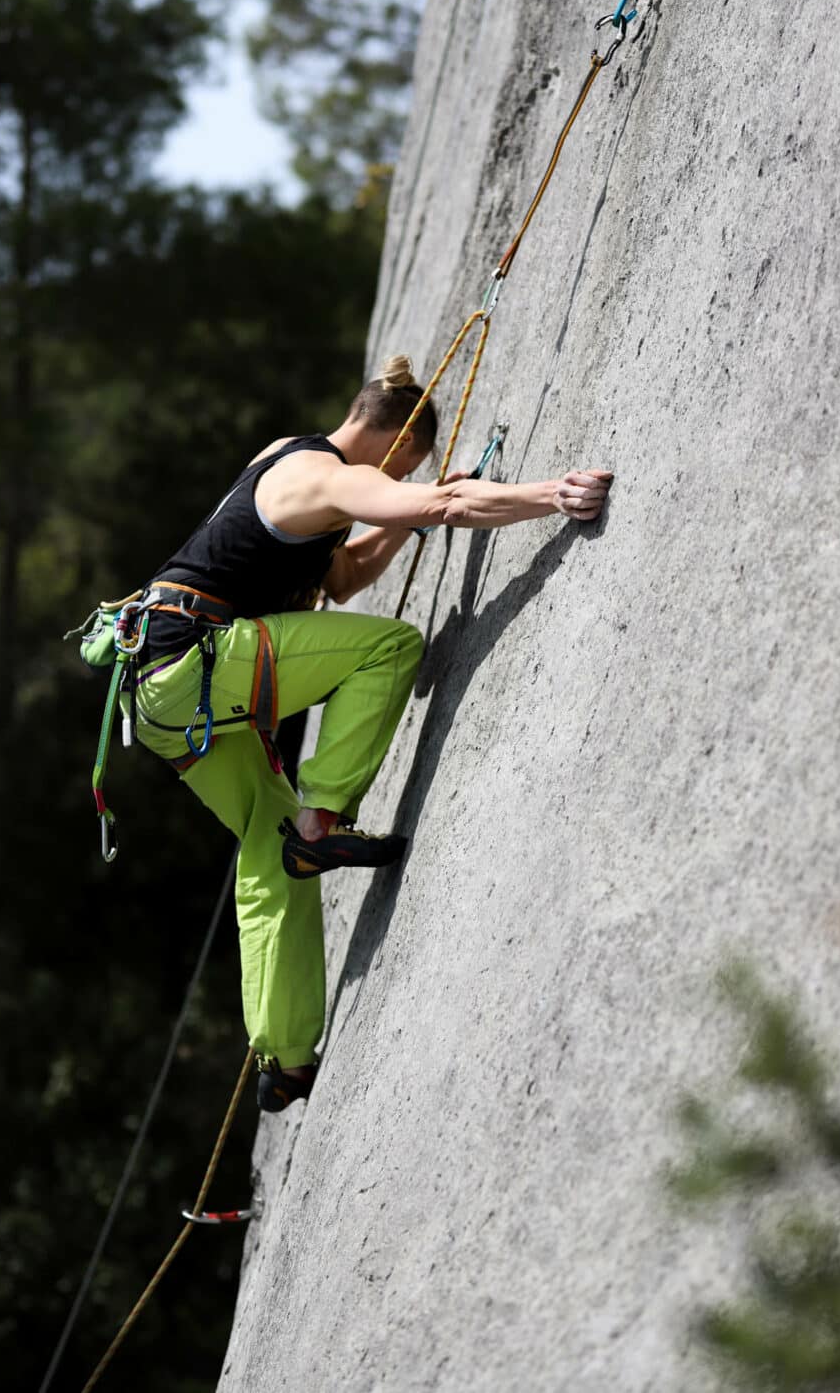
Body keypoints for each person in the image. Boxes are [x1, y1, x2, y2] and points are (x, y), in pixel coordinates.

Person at [131, 354, 612, 1112]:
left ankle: (284, 1058)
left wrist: (397, 522)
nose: (398, 483)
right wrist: (554, 495)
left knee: (269, 842)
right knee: (390, 649)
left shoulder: (283, 457)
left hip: (158, 699)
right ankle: (323, 817)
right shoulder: (329, 477)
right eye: (406, 468)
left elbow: (340, 579)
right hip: (199, 663)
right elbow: (448, 504)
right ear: (393, 447)